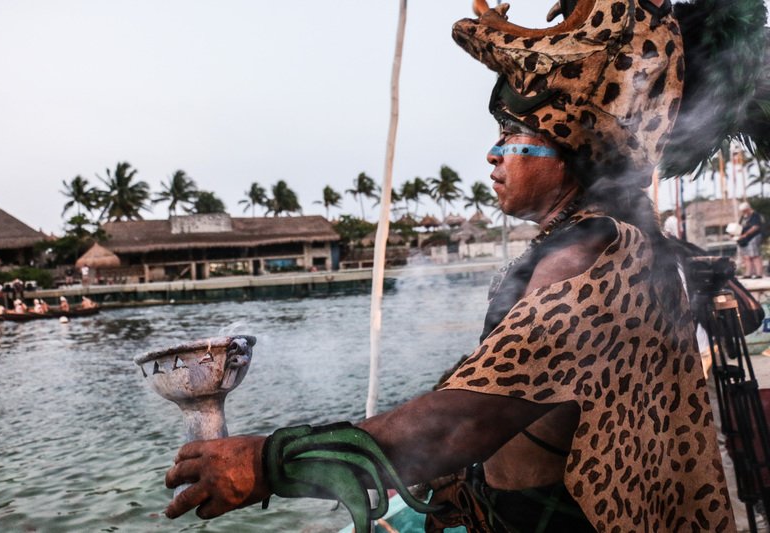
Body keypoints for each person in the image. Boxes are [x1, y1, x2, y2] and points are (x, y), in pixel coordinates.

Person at [161, 0, 770, 530]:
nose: (493, 153)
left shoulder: (593, 255)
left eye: (512, 134)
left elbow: (466, 420)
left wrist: (273, 461)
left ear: (567, 150)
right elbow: (508, 386)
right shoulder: (602, 241)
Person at [737, 202, 764, 279]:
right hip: (744, 239)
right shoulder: (743, 217)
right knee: (747, 257)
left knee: (755, 256)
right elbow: (739, 227)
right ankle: (748, 273)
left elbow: (755, 227)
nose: (744, 212)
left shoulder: (755, 215)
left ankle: (759, 274)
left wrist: (745, 234)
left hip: (753, 237)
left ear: (748, 209)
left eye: (745, 210)